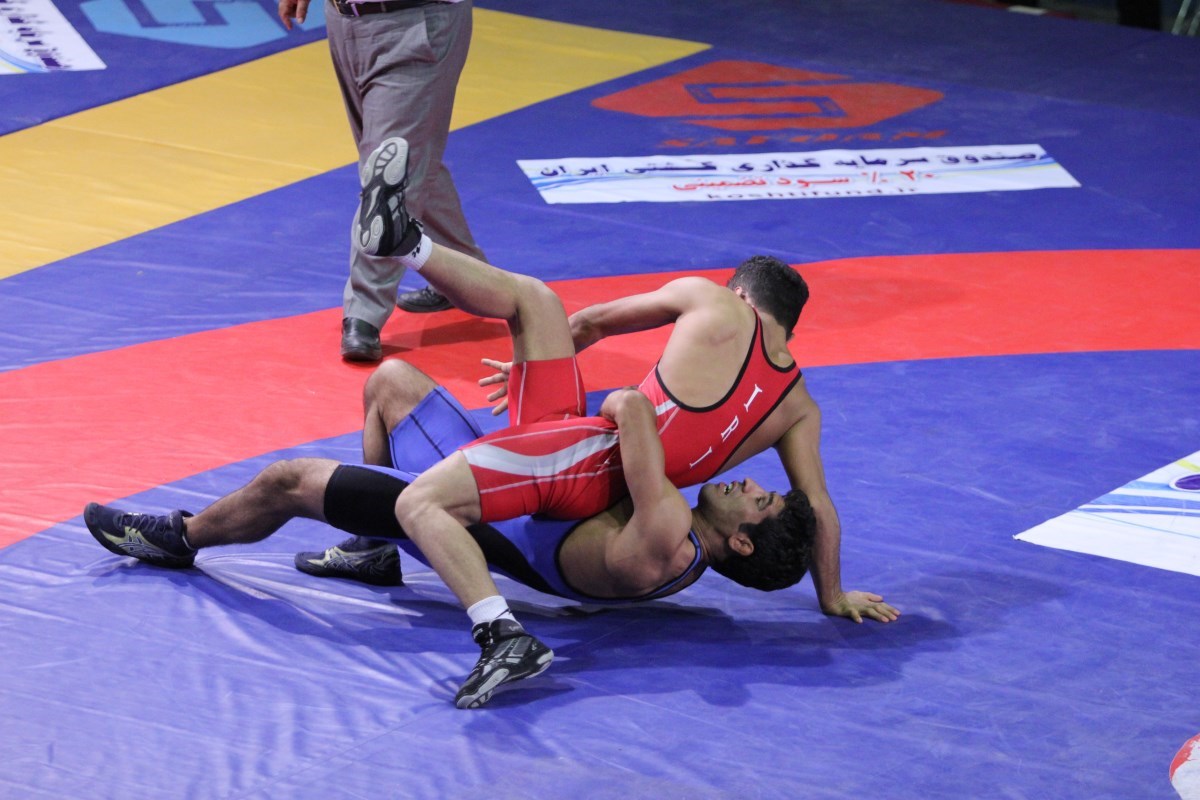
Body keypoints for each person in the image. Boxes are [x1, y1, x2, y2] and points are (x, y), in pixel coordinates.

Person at [307, 136, 897, 625]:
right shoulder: (798, 407)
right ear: (788, 326)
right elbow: (819, 505)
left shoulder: (713, 302)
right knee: (496, 332)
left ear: (740, 293)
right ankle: (407, 243)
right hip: (619, 496)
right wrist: (832, 595)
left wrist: (528, 364)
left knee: (533, 301)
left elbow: (589, 325)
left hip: (576, 468)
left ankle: (409, 244)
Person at [85, 360, 816, 708]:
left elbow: (630, 406)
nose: (750, 484)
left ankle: (180, 538)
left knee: (288, 481)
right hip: (509, 495)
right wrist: (832, 591)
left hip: (477, 521)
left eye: (760, 501)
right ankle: (374, 552)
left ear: (742, 544)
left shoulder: (668, 533)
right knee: (391, 382)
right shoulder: (680, 542)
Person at [278, 0, 477, 363]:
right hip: (346, 21)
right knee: (409, 155)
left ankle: (364, 312)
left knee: (390, 172)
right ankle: (466, 275)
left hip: (414, 22)